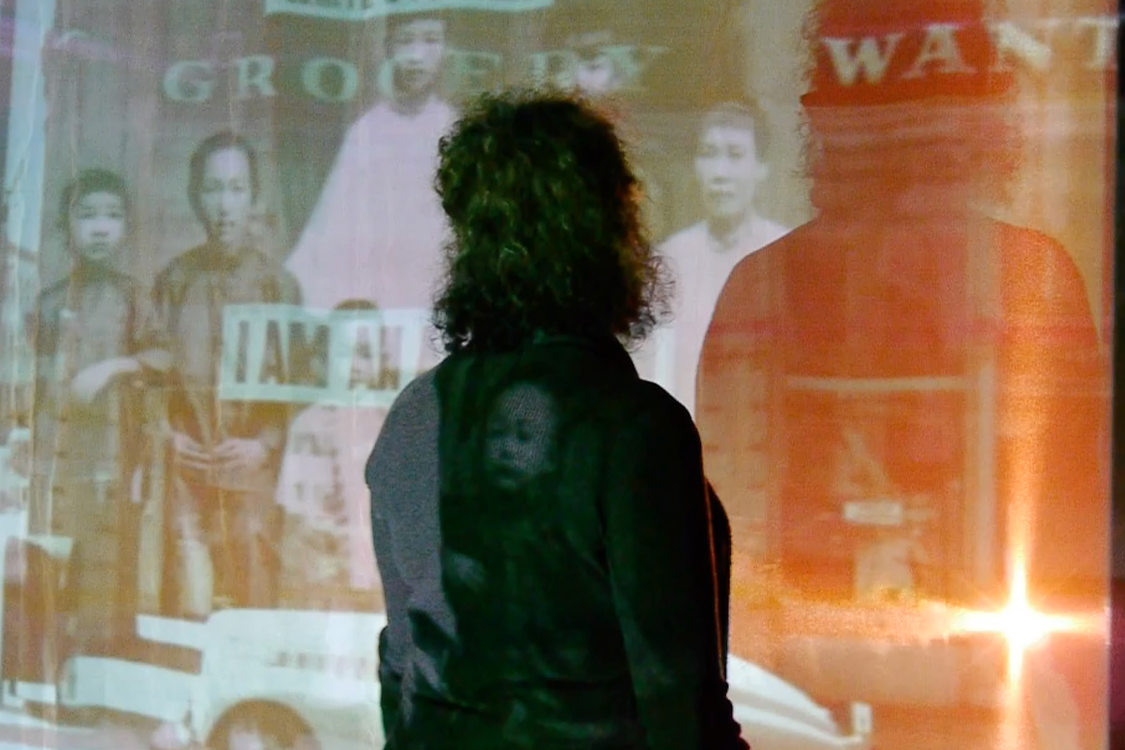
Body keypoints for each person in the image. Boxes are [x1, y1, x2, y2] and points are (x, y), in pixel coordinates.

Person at [366, 92, 747, 749]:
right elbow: (682, 713)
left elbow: (401, 669)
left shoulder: (413, 414)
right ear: (606, 230)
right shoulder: (637, 429)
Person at [152, 132, 301, 616]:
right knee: (186, 588)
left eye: (236, 189)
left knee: (252, 585)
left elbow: (299, 381)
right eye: (213, 189)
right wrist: (168, 434)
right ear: (196, 197)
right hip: (186, 464)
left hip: (251, 468)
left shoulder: (278, 284)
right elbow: (151, 372)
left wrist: (264, 444)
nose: (224, 205)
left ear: (254, 198)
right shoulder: (174, 281)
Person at [29, 168, 168, 651]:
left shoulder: (134, 297)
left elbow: (162, 358)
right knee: (52, 560)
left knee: (103, 563)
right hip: (57, 457)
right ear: (67, 226)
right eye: (88, 216)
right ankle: (50, 664)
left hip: (111, 454)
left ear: (126, 227)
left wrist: (112, 366)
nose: (100, 227)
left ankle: (97, 668)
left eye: (112, 216)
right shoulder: (48, 303)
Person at [285, 11, 456, 313]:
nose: (417, 56)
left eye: (431, 40)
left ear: (446, 48)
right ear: (388, 48)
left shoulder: (456, 129)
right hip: (377, 301)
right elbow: (327, 232)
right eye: (406, 41)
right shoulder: (367, 131)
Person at [634, 102, 789, 416]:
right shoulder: (669, 260)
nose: (720, 173)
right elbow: (653, 373)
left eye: (735, 155)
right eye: (708, 154)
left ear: (761, 167)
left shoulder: (786, 255)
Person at [275, 299, 386, 611]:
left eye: (365, 353)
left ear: (381, 357)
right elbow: (298, 519)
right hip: (327, 584)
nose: (355, 364)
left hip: (380, 587)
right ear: (325, 358)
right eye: (343, 353)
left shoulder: (393, 424)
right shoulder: (310, 426)